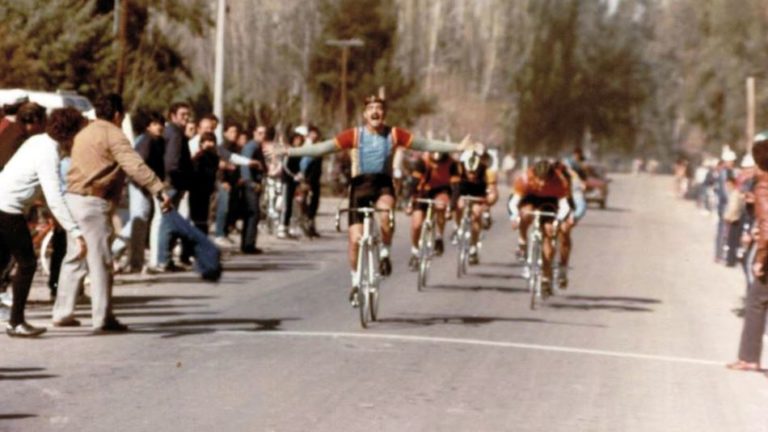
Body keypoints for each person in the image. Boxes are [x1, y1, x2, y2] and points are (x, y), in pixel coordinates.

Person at [270, 95, 476, 304]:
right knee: (354, 240)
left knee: (386, 214)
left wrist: (457, 148)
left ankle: (385, 253)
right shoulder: (354, 135)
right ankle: (355, 283)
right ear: (365, 114)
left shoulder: (394, 134)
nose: (375, 112)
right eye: (371, 109)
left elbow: (425, 144)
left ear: (384, 113)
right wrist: (289, 150)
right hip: (359, 187)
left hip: (382, 185)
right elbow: (322, 148)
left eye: (379, 108)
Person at [52, 94, 171, 332]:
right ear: (118, 114)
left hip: (73, 199)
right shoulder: (113, 134)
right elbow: (133, 165)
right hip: (94, 203)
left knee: (74, 257)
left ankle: (62, 312)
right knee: (100, 262)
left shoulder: (83, 132)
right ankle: (103, 318)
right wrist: (158, 188)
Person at [0, 107, 87, 337]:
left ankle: (15, 321)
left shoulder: (38, 141)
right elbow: (54, 196)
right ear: (69, 133)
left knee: (1, 262)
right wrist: (75, 230)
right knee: (27, 264)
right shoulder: (48, 152)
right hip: (8, 209)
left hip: (4, 202)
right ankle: (16, 322)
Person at [727, 133, 768, 373]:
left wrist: (761, 259)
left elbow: (767, 227)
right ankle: (748, 357)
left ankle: (748, 358)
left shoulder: (764, 186)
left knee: (755, 300)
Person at [112, 112, 165, 272]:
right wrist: (146, 186)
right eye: (156, 124)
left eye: (161, 124)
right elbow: (137, 166)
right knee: (138, 221)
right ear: (148, 126)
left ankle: (135, 261)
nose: (160, 127)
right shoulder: (146, 141)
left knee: (140, 223)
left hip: (145, 186)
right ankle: (116, 251)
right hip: (139, 186)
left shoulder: (156, 141)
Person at [508, 159, 572, 295]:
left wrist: (557, 221)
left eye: (546, 180)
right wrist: (514, 217)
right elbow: (513, 201)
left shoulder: (559, 180)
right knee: (525, 214)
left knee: (549, 234)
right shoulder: (525, 178)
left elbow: (565, 205)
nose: (542, 183)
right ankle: (522, 241)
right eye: (539, 179)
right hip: (530, 198)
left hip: (550, 201)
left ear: (551, 176)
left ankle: (545, 277)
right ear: (534, 175)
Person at [407, 151, 459, 269]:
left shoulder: (452, 163)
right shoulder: (422, 161)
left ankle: (439, 236)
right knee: (416, 224)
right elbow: (414, 182)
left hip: (441, 191)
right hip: (423, 191)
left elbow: (456, 187)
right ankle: (415, 251)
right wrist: (410, 200)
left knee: (441, 205)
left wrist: (451, 205)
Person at [454, 148, 499, 265]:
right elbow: (454, 190)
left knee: (476, 214)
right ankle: (458, 227)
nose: (471, 175)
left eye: (474, 172)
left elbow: (493, 193)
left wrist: (488, 203)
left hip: (479, 194)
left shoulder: (488, 172)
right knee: (458, 205)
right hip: (463, 192)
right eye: (469, 172)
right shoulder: (458, 169)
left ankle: (473, 246)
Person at [188, 132, 220, 247]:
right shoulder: (199, 157)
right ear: (201, 143)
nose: (209, 144)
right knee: (196, 220)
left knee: (203, 220)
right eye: (206, 141)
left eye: (212, 141)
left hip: (207, 191)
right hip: (196, 191)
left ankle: (202, 246)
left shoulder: (215, 157)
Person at [239, 126, 268, 253]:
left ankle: (248, 243)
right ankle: (248, 245)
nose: (262, 136)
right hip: (250, 185)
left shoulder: (258, 146)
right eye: (260, 133)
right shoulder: (251, 146)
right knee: (252, 213)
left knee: (252, 214)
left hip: (255, 183)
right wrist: (250, 183)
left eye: (264, 133)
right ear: (254, 133)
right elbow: (245, 164)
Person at [299, 125, 324, 238]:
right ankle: (306, 225)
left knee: (314, 203)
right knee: (307, 204)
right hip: (308, 180)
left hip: (315, 179)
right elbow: (303, 164)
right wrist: (304, 179)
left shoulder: (318, 146)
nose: (314, 136)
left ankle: (311, 226)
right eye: (312, 134)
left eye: (316, 134)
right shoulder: (307, 147)